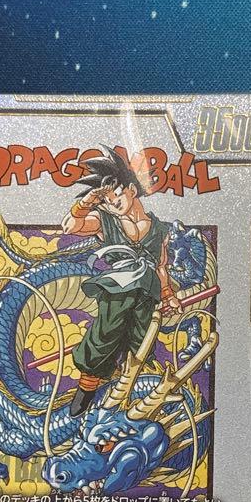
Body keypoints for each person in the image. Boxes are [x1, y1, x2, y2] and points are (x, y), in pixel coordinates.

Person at [61, 149, 183, 416]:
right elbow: (70, 226)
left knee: (142, 341)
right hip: (118, 288)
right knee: (105, 335)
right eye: (106, 200)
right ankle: (86, 390)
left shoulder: (159, 229)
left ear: (132, 190)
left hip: (147, 292)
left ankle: (131, 394)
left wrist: (168, 294)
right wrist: (88, 202)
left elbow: (161, 266)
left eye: (116, 195)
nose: (112, 203)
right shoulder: (104, 221)